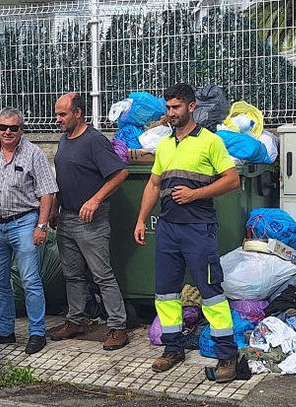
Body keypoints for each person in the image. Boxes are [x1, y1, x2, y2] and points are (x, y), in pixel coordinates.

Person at [133, 83, 240, 382]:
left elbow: (232, 181)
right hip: (167, 228)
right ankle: (173, 349)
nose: (171, 113)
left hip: (198, 229)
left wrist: (196, 194)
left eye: (176, 107)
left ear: (191, 107)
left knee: (212, 294)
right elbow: (154, 185)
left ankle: (227, 356)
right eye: (168, 108)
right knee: (165, 294)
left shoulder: (210, 142)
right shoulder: (165, 145)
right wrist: (141, 219)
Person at [47, 93, 130, 350]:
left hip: (91, 220)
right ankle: (75, 320)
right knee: (72, 275)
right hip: (67, 217)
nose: (57, 119)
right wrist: (55, 208)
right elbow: (63, 177)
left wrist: (94, 201)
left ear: (78, 113)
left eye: (63, 114)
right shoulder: (64, 140)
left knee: (102, 274)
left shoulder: (94, 141)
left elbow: (120, 173)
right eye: (57, 114)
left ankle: (118, 326)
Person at [0, 107, 57, 355]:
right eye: (3, 127)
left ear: (22, 129)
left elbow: (47, 193)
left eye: (13, 128)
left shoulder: (34, 154)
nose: (8, 132)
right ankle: (5, 330)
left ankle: (36, 333)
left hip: (24, 222)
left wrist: (41, 226)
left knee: (30, 280)